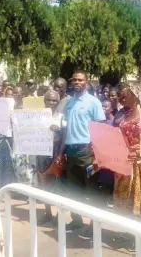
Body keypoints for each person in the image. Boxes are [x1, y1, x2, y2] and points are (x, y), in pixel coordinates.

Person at [57, 70, 105, 230]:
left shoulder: (94, 102)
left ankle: (94, 224)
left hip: (87, 151)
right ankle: (76, 220)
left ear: (87, 82)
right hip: (70, 151)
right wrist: (60, 152)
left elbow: (100, 130)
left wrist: (98, 154)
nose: (77, 83)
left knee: (91, 189)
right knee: (73, 189)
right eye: (74, 80)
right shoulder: (69, 103)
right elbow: (66, 129)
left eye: (80, 80)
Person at [113, 83, 141, 217]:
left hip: (138, 163)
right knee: (122, 197)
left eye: (126, 94)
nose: (122, 97)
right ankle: (125, 232)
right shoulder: (126, 114)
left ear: (136, 96)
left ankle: (137, 234)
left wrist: (139, 152)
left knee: (136, 197)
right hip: (123, 161)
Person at [36, 90, 66, 223]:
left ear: (58, 101)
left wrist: (60, 153)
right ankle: (48, 213)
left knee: (57, 185)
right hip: (41, 153)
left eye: (54, 100)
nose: (51, 103)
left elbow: (65, 136)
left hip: (55, 154)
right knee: (43, 183)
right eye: (49, 100)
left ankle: (59, 216)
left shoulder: (61, 116)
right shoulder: (36, 116)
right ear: (44, 100)